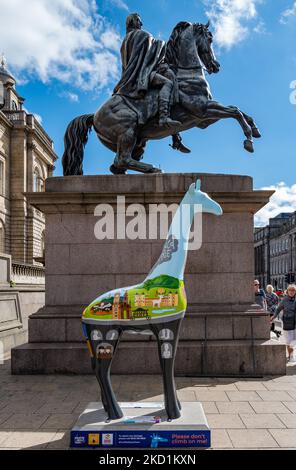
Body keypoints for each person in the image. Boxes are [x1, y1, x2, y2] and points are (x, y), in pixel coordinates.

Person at [113, 12, 191, 152]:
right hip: (142, 75)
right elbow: (152, 53)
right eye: (138, 21)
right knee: (168, 82)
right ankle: (164, 118)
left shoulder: (125, 41)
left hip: (133, 76)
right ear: (132, 22)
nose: (141, 24)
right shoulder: (141, 35)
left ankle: (175, 137)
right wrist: (165, 45)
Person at [271, 284, 296, 361]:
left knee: (293, 340)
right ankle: (291, 356)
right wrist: (273, 317)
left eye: (293, 290)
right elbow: (278, 309)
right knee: (289, 340)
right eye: (290, 290)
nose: (291, 292)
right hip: (287, 322)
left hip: (295, 322)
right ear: (287, 291)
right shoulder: (284, 300)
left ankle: (291, 355)